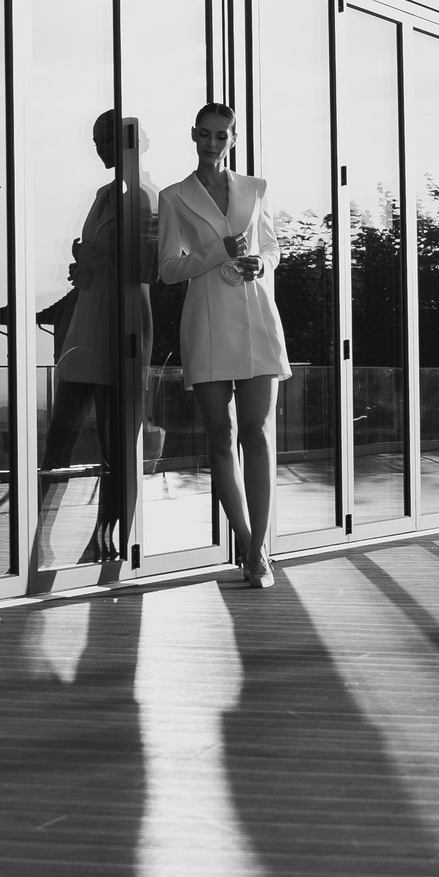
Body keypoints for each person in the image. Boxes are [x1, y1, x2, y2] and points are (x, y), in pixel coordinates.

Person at [155, 102, 289, 587]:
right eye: (205, 135)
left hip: (255, 316)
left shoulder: (256, 189)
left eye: (222, 136)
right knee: (220, 435)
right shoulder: (174, 197)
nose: (213, 144)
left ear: (234, 138)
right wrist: (218, 251)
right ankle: (246, 540)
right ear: (193, 135)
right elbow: (168, 270)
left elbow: (272, 246)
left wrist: (261, 262)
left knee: (256, 433)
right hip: (207, 321)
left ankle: (258, 552)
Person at [38, 109, 156, 566]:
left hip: (121, 322)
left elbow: (148, 269)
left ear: (134, 142)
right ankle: (36, 537)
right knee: (59, 437)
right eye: (95, 139)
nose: (99, 146)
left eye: (106, 138)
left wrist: (102, 261)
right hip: (86, 321)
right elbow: (102, 260)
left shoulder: (146, 196)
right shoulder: (105, 193)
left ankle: (107, 542)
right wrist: (84, 266)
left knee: (114, 443)